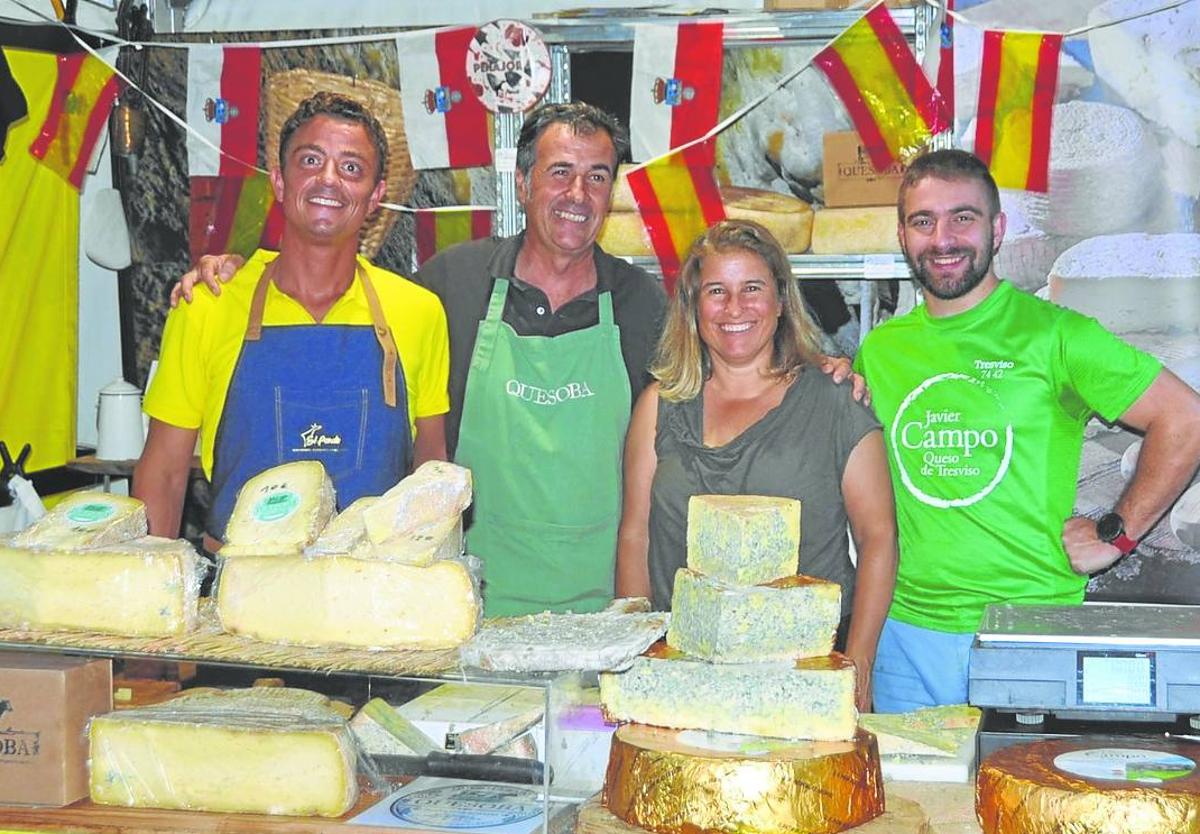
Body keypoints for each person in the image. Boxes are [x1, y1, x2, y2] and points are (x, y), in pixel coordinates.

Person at [173, 101, 863, 618]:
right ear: (525, 182)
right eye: (560, 172)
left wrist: (817, 371)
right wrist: (233, 270)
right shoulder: (453, 283)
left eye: (597, 177)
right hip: (468, 603)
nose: (577, 194)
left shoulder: (645, 304)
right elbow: (349, 306)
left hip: (607, 608)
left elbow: (735, 367)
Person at [853, 149, 1200, 712]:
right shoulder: (882, 349)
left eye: (962, 217)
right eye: (923, 221)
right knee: (910, 802)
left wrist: (1117, 533)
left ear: (998, 229)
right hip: (904, 636)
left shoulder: (1057, 335)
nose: (942, 238)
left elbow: (1184, 420)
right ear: (903, 234)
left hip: (1025, 630)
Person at [133, 92, 450, 549]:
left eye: (352, 167)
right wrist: (149, 598)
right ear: (280, 182)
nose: (329, 179)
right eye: (310, 160)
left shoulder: (418, 312)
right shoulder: (209, 304)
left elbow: (430, 471)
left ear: (376, 195)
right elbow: (162, 472)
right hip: (238, 597)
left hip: (369, 595)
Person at [616, 220, 897, 711]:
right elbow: (636, 535)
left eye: (752, 289)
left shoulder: (834, 401)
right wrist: (637, 654)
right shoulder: (659, 406)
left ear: (781, 299)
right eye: (716, 292)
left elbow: (879, 538)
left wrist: (858, 666)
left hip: (806, 676)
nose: (734, 308)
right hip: (683, 673)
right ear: (693, 306)